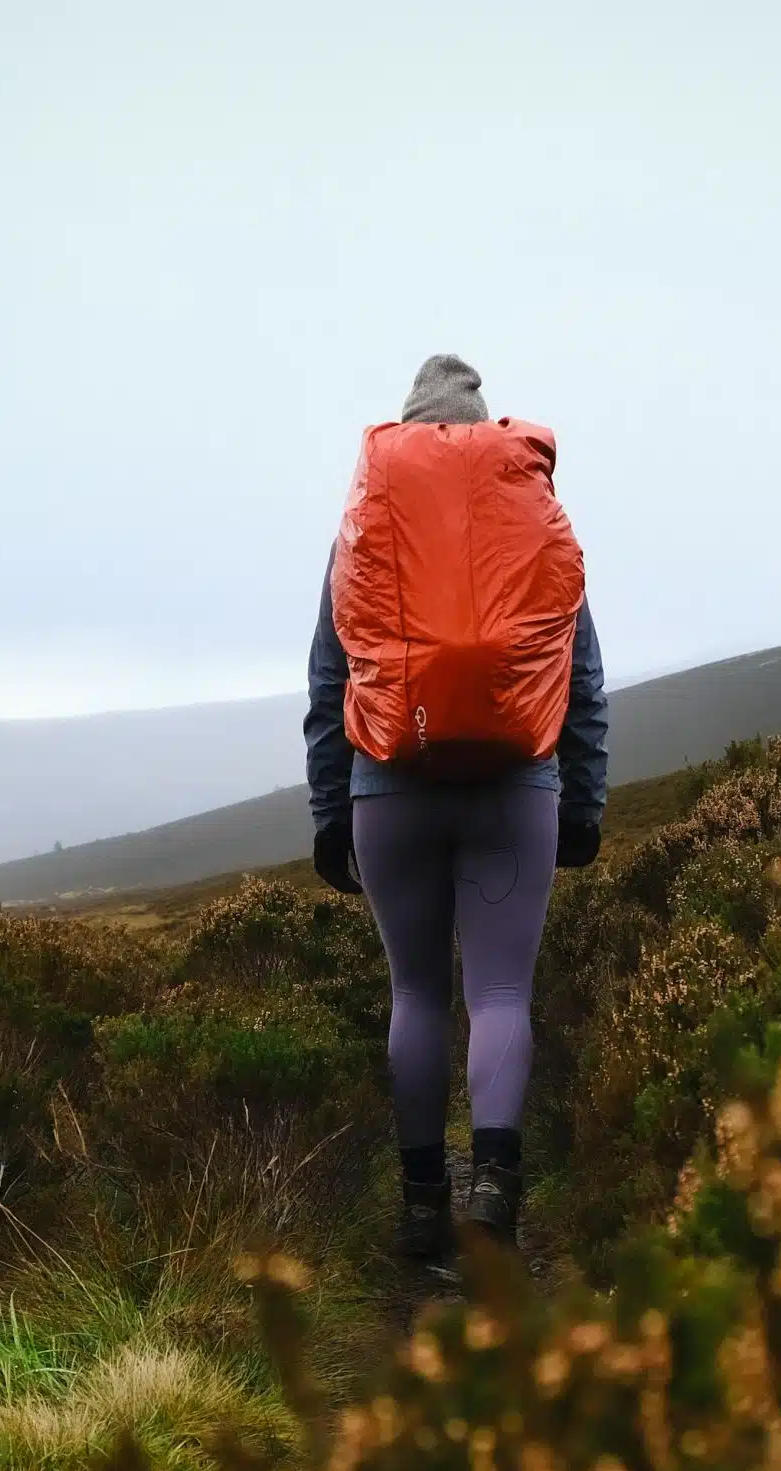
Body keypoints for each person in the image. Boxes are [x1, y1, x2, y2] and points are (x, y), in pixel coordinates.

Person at [304, 354, 609, 1261]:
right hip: (517, 785)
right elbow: (580, 674)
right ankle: (498, 1196)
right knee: (503, 994)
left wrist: (330, 808)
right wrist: (583, 801)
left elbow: (330, 678)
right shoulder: (535, 520)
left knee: (417, 994)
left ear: (405, 433)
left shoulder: (366, 526)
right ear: (486, 433)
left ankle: (419, 1208)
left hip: (389, 786)